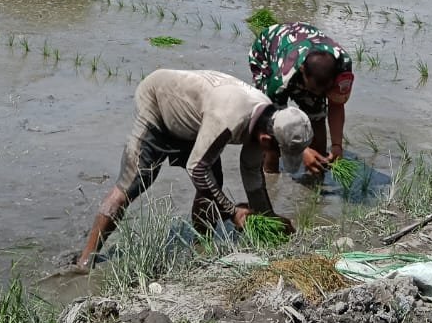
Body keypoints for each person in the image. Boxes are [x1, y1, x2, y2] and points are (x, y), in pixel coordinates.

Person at [76, 68, 311, 270]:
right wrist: (233, 212)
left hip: (195, 118)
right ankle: (85, 262)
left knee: (213, 183)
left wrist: (268, 218)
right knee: (135, 183)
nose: (275, 157)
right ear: (266, 139)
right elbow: (197, 169)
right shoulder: (229, 118)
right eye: (278, 151)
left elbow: (251, 174)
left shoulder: (266, 120)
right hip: (158, 102)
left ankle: (201, 244)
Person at [248, 22, 353, 175]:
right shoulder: (281, 79)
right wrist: (301, 150)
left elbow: (336, 104)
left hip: (306, 42)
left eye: (324, 91)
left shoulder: (342, 66)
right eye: (314, 90)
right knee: (270, 141)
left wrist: (337, 145)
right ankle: (270, 176)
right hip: (267, 49)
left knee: (317, 118)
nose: (318, 95)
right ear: (303, 72)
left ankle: (316, 176)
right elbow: (271, 120)